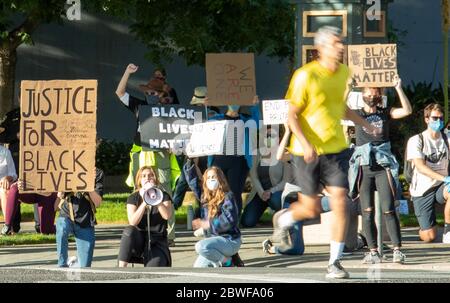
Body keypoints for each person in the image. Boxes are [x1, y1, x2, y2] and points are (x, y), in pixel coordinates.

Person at [272, 26, 380, 279]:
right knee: (310, 210)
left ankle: (334, 262)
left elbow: (339, 108)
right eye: (335, 43)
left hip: (336, 149)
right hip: (306, 151)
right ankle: (285, 219)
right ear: (320, 48)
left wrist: (364, 123)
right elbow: (292, 116)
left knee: (341, 202)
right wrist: (306, 144)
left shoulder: (343, 73)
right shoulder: (305, 76)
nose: (340, 47)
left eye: (341, 43)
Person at [116, 63, 180, 246]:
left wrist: (173, 144)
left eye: (155, 93)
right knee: (139, 192)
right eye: (149, 92)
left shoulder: (170, 109)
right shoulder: (139, 107)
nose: (152, 95)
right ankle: (140, 229)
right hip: (142, 154)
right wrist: (127, 72)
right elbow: (120, 93)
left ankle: (169, 235)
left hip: (161, 156)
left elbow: (181, 127)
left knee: (165, 192)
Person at [348, 77, 412, 264]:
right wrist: (347, 88)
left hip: (383, 165)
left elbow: (407, 110)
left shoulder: (385, 112)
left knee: (388, 209)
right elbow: (338, 112)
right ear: (362, 96)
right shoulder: (357, 114)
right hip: (364, 166)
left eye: (375, 94)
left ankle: (397, 250)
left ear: (380, 96)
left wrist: (398, 88)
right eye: (368, 94)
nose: (371, 97)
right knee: (367, 211)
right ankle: (373, 251)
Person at [207, 97, 260, 215]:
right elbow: (204, 124)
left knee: (235, 192)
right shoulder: (217, 118)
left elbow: (256, 124)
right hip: (218, 160)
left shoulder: (245, 119)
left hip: (238, 161)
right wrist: (206, 106)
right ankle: (216, 218)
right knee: (216, 191)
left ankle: (233, 220)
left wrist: (255, 106)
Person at [406, 103, 450, 243]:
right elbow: (420, 167)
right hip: (422, 189)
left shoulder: (447, 138)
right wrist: (445, 178)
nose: (439, 122)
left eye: (441, 119)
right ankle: (426, 226)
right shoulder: (416, 140)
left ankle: (448, 230)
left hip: (441, 186)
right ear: (426, 119)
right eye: (435, 118)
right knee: (429, 236)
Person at [118, 166, 172, 267]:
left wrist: (157, 200)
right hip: (139, 239)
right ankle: (121, 268)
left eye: (151, 175)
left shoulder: (164, 196)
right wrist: (144, 202)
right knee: (129, 230)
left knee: (152, 270)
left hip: (157, 241)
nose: (147, 178)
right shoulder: (133, 197)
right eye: (144, 176)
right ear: (139, 180)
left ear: (156, 179)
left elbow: (167, 216)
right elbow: (132, 222)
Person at [241, 126, 294, 227]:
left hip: (276, 192)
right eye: (266, 136)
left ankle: (280, 216)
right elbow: (254, 176)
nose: (269, 138)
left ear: (279, 138)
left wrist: (271, 191)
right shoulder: (257, 153)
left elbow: (286, 181)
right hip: (260, 193)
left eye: (272, 136)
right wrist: (262, 192)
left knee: (275, 200)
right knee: (247, 222)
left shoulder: (285, 153)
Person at [192, 166, 241, 267]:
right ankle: (222, 262)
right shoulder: (205, 197)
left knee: (200, 246)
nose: (211, 180)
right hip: (214, 241)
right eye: (208, 177)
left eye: (213, 177)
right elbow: (193, 182)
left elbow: (229, 220)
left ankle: (226, 261)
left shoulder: (228, 196)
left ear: (220, 179)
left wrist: (207, 225)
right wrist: (189, 162)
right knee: (198, 268)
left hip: (230, 240)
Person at [55, 168, 104, 267]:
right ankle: (62, 264)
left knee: (85, 267)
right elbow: (53, 202)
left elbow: (98, 202)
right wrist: (60, 193)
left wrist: (89, 184)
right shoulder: (65, 169)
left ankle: (73, 264)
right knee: (62, 228)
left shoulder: (97, 173)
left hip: (85, 219)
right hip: (66, 213)